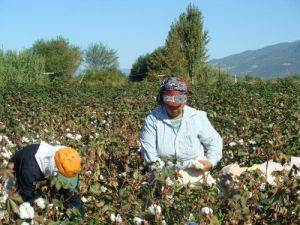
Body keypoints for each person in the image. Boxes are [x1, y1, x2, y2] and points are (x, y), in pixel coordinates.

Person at [140, 76, 223, 179]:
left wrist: (210, 162)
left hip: (195, 173)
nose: (174, 110)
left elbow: (215, 142)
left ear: (185, 101)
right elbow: (149, 155)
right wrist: (163, 175)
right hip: (162, 175)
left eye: (177, 107)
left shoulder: (197, 117)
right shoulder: (153, 120)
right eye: (170, 107)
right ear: (162, 101)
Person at [6, 140, 85, 217]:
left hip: (42, 168)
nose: (66, 182)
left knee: (71, 195)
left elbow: (73, 197)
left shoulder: (69, 160)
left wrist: (79, 218)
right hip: (23, 167)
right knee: (24, 202)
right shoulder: (29, 169)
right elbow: (27, 201)